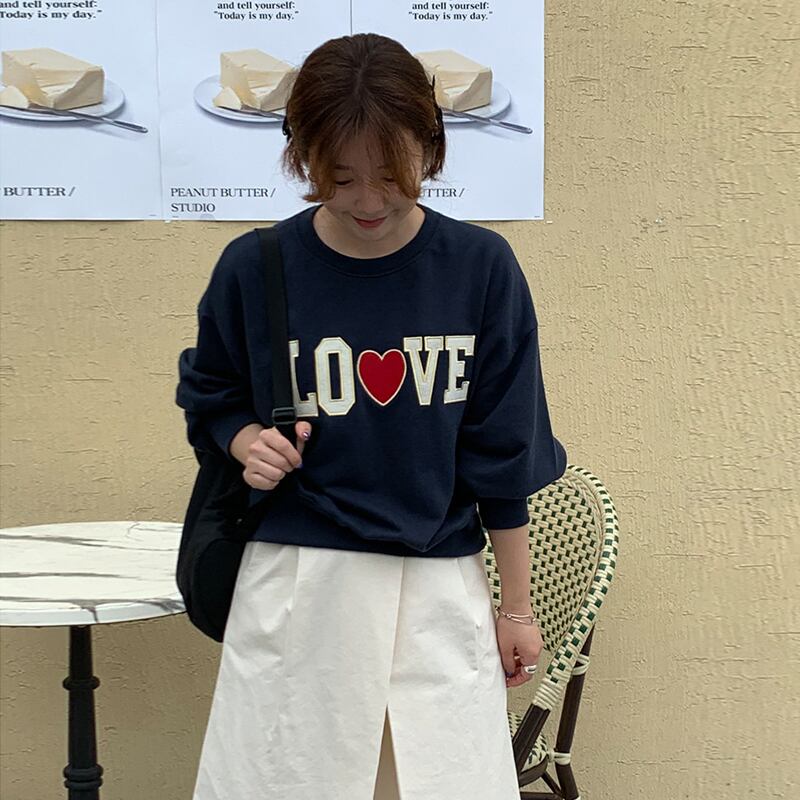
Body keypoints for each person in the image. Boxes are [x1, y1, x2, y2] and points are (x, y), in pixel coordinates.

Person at [176, 32, 567, 800]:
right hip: (299, 582)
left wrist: (517, 609)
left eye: (392, 174)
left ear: (430, 145)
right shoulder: (255, 269)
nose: (367, 201)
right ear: (302, 156)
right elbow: (211, 392)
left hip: (438, 586)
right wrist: (246, 440)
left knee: (439, 783)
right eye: (340, 177)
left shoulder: (479, 270)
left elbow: (503, 457)